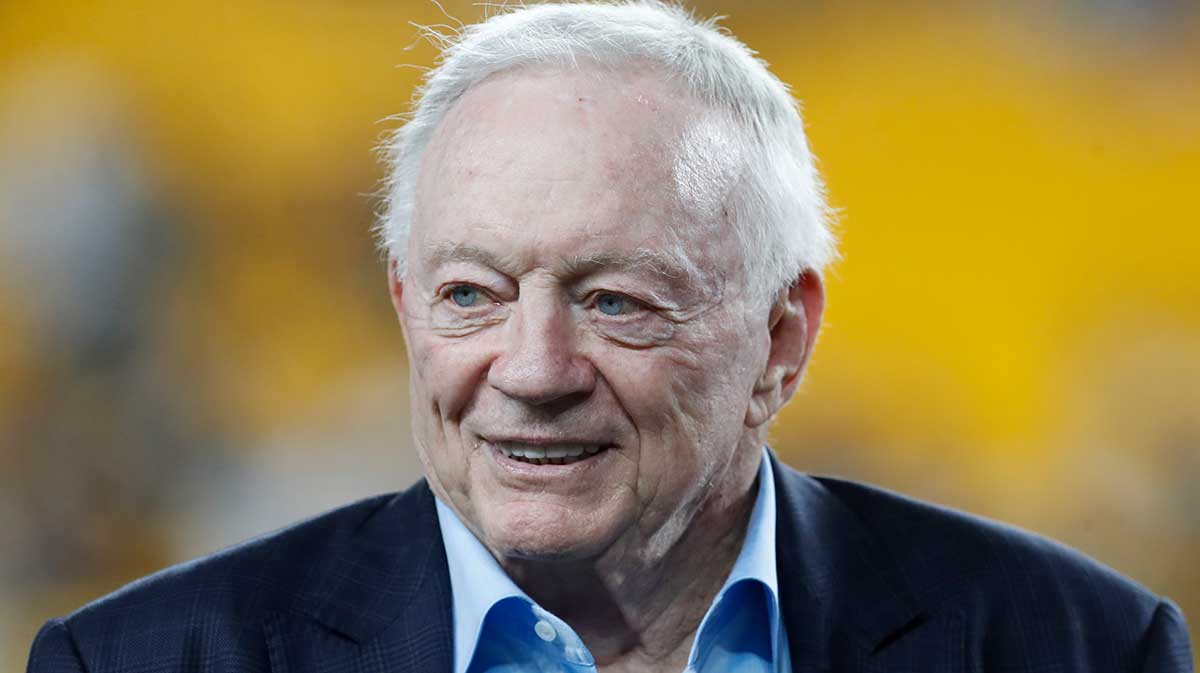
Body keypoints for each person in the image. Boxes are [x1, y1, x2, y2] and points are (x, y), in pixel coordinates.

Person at [27, 2, 1193, 672]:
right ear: (400, 304)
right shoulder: (143, 659)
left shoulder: (1080, 645)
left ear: (784, 338)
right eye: (473, 294)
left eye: (618, 301)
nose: (533, 373)